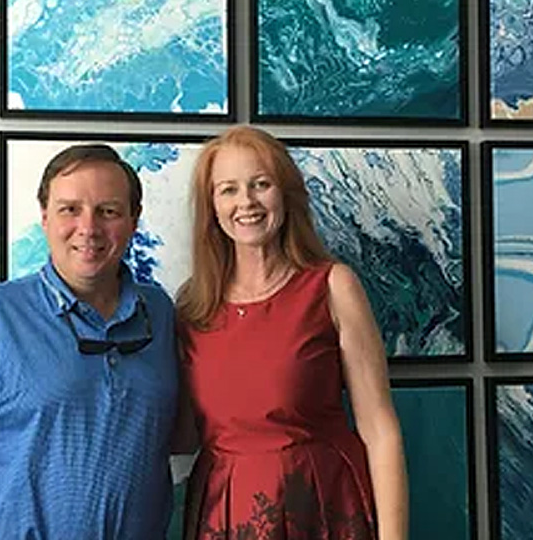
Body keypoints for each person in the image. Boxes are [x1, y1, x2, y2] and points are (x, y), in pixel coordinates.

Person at [0, 144, 179, 540]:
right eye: (70, 209)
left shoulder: (159, 313)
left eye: (108, 211)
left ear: (133, 220)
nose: (88, 228)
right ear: (45, 217)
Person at [173, 126, 408, 539]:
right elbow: (184, 436)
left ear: (286, 194)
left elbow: (379, 430)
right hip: (224, 513)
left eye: (261, 184)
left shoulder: (334, 286)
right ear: (212, 206)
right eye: (228, 190)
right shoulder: (192, 306)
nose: (246, 202)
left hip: (323, 506)